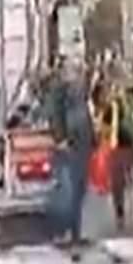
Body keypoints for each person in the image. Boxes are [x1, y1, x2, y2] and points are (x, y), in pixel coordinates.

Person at [45, 55, 94, 246]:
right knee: (71, 191)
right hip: (71, 145)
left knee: (80, 190)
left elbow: (85, 115)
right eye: (75, 69)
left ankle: (76, 232)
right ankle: (70, 234)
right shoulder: (60, 90)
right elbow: (54, 114)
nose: (78, 73)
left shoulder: (78, 90)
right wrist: (60, 138)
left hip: (82, 144)